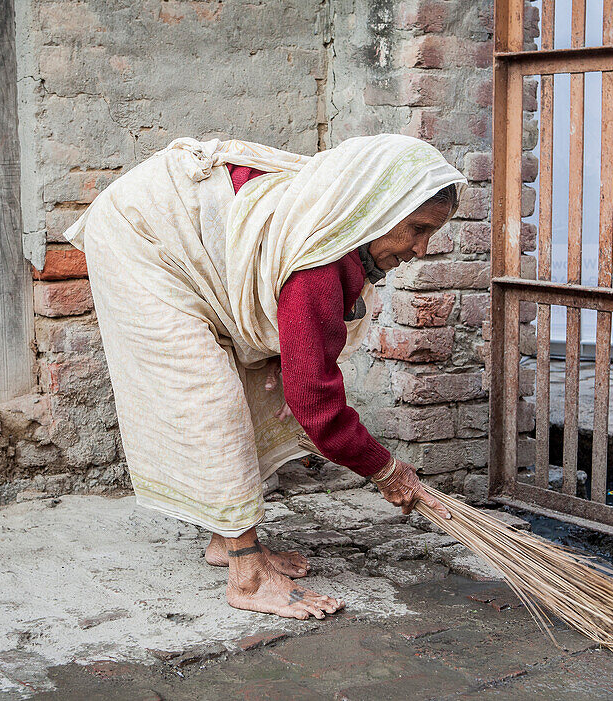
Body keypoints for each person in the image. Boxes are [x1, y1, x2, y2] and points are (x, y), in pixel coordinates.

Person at [63, 135, 463, 620]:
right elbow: (315, 402)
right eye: (417, 229)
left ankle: (226, 539)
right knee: (208, 395)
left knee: (257, 381)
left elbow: (303, 371)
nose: (421, 249)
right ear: (378, 209)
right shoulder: (316, 260)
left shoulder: (343, 236)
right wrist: (386, 470)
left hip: (185, 241)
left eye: (430, 235)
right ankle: (246, 574)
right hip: (141, 238)